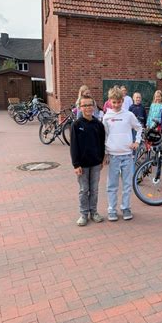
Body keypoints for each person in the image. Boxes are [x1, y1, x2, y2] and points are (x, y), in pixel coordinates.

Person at [103, 87, 142, 221]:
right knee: (112, 185)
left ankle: (125, 208)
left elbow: (139, 128)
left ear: (122, 101)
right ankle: (112, 209)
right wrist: (105, 154)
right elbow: (104, 136)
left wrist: (137, 141)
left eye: (119, 102)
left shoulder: (128, 115)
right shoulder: (106, 117)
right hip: (113, 156)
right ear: (110, 102)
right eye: (114, 102)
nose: (117, 105)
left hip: (127, 155)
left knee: (127, 185)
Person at [70, 95, 106, 226]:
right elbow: (74, 146)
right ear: (80, 107)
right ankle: (84, 214)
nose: (88, 108)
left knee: (94, 189)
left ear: (94, 106)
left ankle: (94, 212)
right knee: (84, 190)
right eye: (85, 105)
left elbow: (102, 143)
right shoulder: (76, 125)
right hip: (82, 165)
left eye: (90, 105)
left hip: (96, 163)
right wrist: (76, 164)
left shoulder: (98, 125)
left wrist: (102, 158)